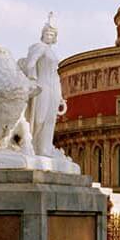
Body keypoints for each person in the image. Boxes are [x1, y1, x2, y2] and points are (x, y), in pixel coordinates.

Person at [22, 13, 67, 156]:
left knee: (50, 119)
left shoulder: (52, 52)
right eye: (47, 33)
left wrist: (60, 96)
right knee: (39, 117)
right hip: (42, 85)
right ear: (42, 34)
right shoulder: (38, 47)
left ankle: (45, 148)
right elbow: (30, 64)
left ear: (54, 37)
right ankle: (30, 144)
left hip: (54, 86)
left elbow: (55, 73)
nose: (49, 35)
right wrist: (32, 79)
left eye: (51, 34)